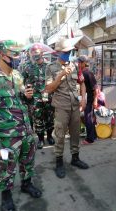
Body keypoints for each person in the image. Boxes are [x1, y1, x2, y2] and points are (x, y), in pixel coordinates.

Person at [0, 40, 42, 211]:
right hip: (6, 136)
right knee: (7, 167)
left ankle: (26, 184)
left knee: (28, 160)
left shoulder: (17, 75)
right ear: (2, 55)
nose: (17, 58)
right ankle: (6, 195)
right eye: (13, 55)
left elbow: (23, 100)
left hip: (25, 131)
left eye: (18, 54)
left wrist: (28, 97)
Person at [45, 38, 89, 179]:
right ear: (58, 52)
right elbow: (48, 89)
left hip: (75, 106)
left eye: (69, 51)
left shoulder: (75, 65)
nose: (68, 53)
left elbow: (81, 83)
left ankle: (75, 158)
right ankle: (59, 162)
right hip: (61, 107)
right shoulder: (50, 67)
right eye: (65, 51)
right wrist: (61, 75)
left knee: (75, 133)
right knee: (60, 135)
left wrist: (84, 99)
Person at [21, 44, 55, 149]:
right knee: (38, 120)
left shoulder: (49, 65)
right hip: (35, 99)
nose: (36, 54)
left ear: (42, 53)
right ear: (31, 54)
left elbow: (55, 81)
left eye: (38, 52)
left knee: (50, 118)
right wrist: (25, 92)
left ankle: (49, 136)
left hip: (48, 96)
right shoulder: (27, 67)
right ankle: (40, 139)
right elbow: (21, 82)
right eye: (33, 52)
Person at [78, 55, 98, 145]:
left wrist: (95, 100)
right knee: (88, 118)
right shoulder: (82, 72)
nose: (78, 64)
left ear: (84, 63)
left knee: (88, 118)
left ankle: (90, 139)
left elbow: (95, 88)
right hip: (86, 97)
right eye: (78, 62)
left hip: (90, 98)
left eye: (80, 62)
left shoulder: (88, 73)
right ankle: (94, 135)